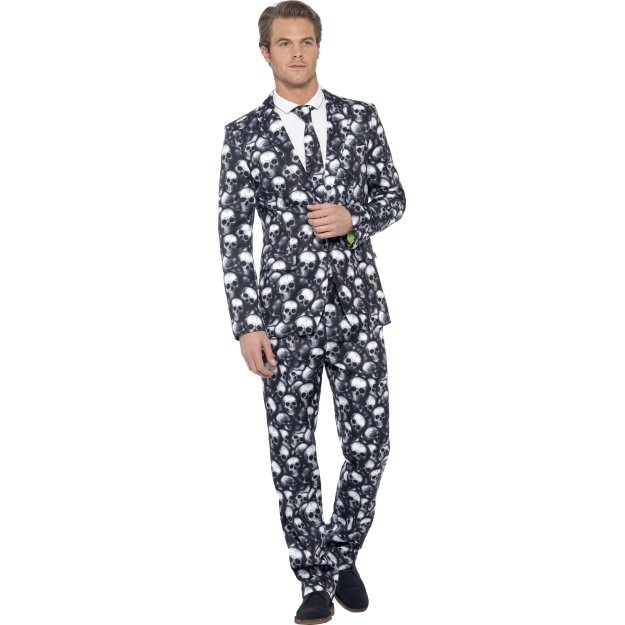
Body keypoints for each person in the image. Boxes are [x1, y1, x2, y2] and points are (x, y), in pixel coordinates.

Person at [217, 2, 405, 622]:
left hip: (357, 311)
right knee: (293, 452)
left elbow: (394, 196)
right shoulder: (244, 134)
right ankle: (313, 582)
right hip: (281, 320)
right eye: (283, 43)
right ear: (265, 53)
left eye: (305, 41)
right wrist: (246, 321)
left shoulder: (360, 118)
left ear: (319, 47)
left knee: (370, 445)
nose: (296, 52)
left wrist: (355, 218)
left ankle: (340, 553)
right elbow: (233, 234)